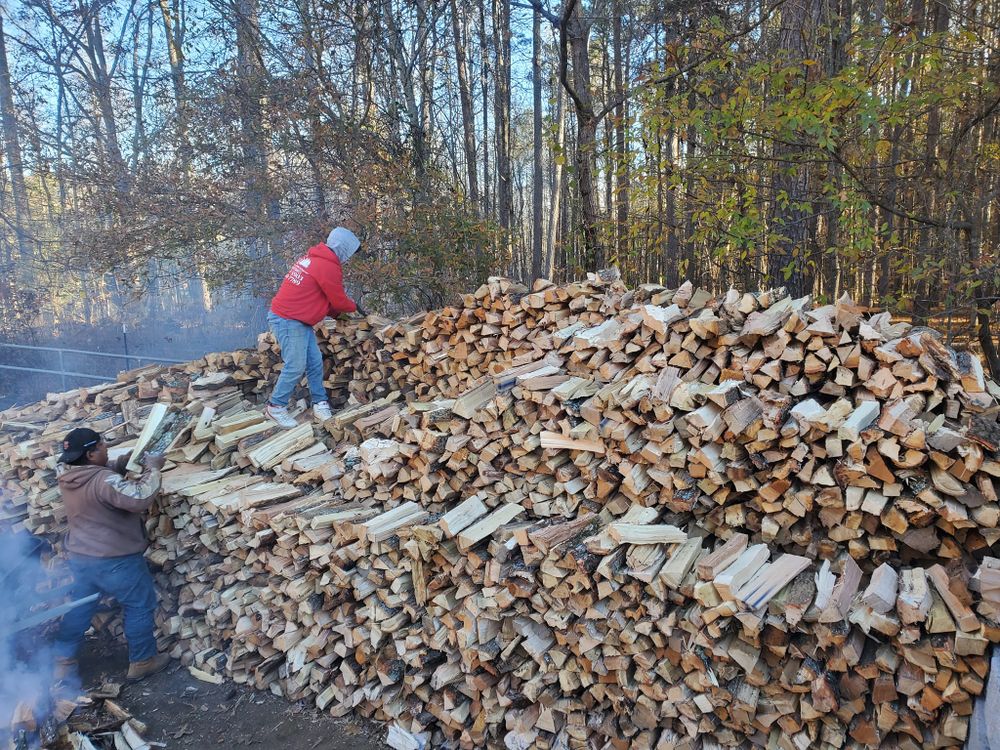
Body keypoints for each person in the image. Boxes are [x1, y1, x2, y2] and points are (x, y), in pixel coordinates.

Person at [53, 427, 170, 682]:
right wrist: (154, 468)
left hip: (81, 556)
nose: (106, 448)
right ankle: (143, 661)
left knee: (81, 607)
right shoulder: (104, 481)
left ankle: (62, 659)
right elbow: (139, 498)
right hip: (115, 559)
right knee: (139, 604)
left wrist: (121, 461)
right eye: (103, 446)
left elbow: (97, 477)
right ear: (92, 453)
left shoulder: (65, 473)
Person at [265, 226, 366, 428]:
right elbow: (337, 300)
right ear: (343, 247)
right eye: (350, 251)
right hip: (288, 319)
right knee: (295, 365)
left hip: (297, 320)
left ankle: (320, 403)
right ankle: (275, 406)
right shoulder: (327, 266)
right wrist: (354, 307)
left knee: (314, 363)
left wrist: (337, 314)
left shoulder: (314, 259)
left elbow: (319, 298)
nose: (349, 257)